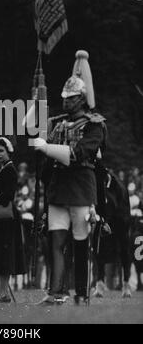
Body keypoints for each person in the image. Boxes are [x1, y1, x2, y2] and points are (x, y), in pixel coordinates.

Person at [34, 50, 107, 305]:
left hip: (80, 187)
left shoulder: (94, 125)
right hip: (58, 187)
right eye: (65, 97)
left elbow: (78, 154)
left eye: (72, 98)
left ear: (82, 99)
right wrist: (35, 106)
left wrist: (46, 148)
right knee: (56, 241)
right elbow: (30, 129)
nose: (66, 102)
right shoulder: (57, 122)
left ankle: (81, 294)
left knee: (79, 243)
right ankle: (56, 292)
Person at [0, 137, 26, 303]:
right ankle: (3, 293)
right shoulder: (0, 169)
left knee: (5, 255)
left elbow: (7, 196)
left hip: (7, 218)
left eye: (1, 151)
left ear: (8, 152)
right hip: (0, 218)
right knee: (0, 255)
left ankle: (3, 293)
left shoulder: (10, 170)